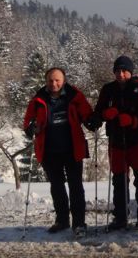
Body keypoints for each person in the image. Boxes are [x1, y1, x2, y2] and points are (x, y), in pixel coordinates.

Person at [22, 67, 93, 237]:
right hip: (49, 150)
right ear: (46, 81)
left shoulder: (74, 95)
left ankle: (79, 224)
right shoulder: (38, 99)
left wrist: (92, 121)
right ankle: (62, 220)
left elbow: (87, 114)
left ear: (64, 81)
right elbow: (27, 121)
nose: (54, 83)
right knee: (57, 186)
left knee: (76, 186)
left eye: (57, 80)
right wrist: (31, 128)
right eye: (50, 80)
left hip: (72, 149)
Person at [92, 55, 138, 230]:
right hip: (116, 140)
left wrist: (133, 120)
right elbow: (97, 113)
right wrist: (105, 114)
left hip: (137, 140)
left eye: (124, 71)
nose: (120, 74)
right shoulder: (108, 90)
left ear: (130, 72)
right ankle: (120, 217)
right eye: (117, 71)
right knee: (119, 180)